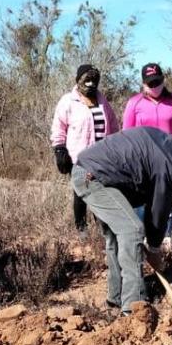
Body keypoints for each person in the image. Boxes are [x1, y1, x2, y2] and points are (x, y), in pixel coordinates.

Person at [72, 127, 172, 314]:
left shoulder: (171, 148)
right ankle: (133, 309)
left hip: (94, 172)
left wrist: (152, 245)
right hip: (93, 177)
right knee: (132, 230)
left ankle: (116, 299)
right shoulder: (170, 165)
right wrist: (153, 248)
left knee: (117, 236)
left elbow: (157, 206)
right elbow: (159, 210)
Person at [122, 63, 172, 250]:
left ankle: (166, 236)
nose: (154, 87)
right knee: (142, 201)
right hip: (142, 162)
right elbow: (126, 135)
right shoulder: (134, 103)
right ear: (143, 84)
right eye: (150, 83)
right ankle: (143, 236)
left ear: (163, 80)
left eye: (157, 82)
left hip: (170, 160)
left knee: (166, 199)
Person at [50, 64, 120, 237]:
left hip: (102, 157)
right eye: (86, 80)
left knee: (101, 192)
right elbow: (58, 127)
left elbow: (113, 126)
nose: (90, 83)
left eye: (93, 80)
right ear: (78, 80)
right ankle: (82, 230)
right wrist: (59, 150)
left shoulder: (103, 101)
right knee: (81, 193)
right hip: (78, 158)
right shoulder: (68, 101)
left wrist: (116, 149)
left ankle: (103, 229)